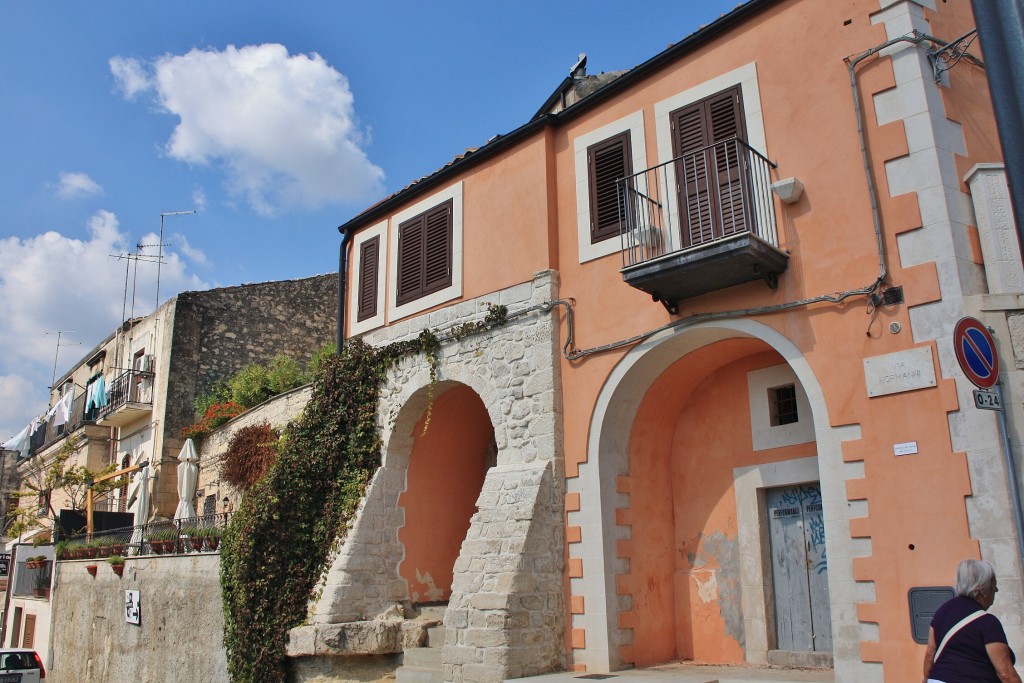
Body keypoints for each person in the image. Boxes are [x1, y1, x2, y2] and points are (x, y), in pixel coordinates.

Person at [923, 559, 1021, 683]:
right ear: (982, 589)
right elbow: (1005, 673)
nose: (996, 590)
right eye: (994, 585)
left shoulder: (941, 612)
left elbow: (930, 654)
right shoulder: (987, 622)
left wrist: (926, 679)